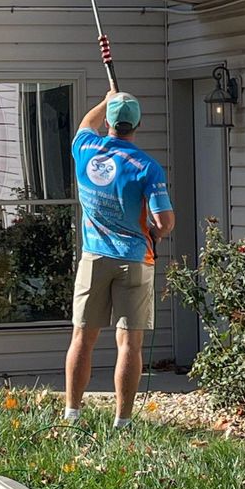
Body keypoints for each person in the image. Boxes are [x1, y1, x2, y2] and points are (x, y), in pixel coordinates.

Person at [64, 90, 174, 429]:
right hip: (134, 259)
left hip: (94, 257)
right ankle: (122, 421)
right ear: (138, 124)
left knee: (82, 338)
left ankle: (72, 414)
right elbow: (165, 222)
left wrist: (106, 99)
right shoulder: (147, 167)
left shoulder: (85, 149)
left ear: (110, 122)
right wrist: (155, 232)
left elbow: (86, 123)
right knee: (129, 343)